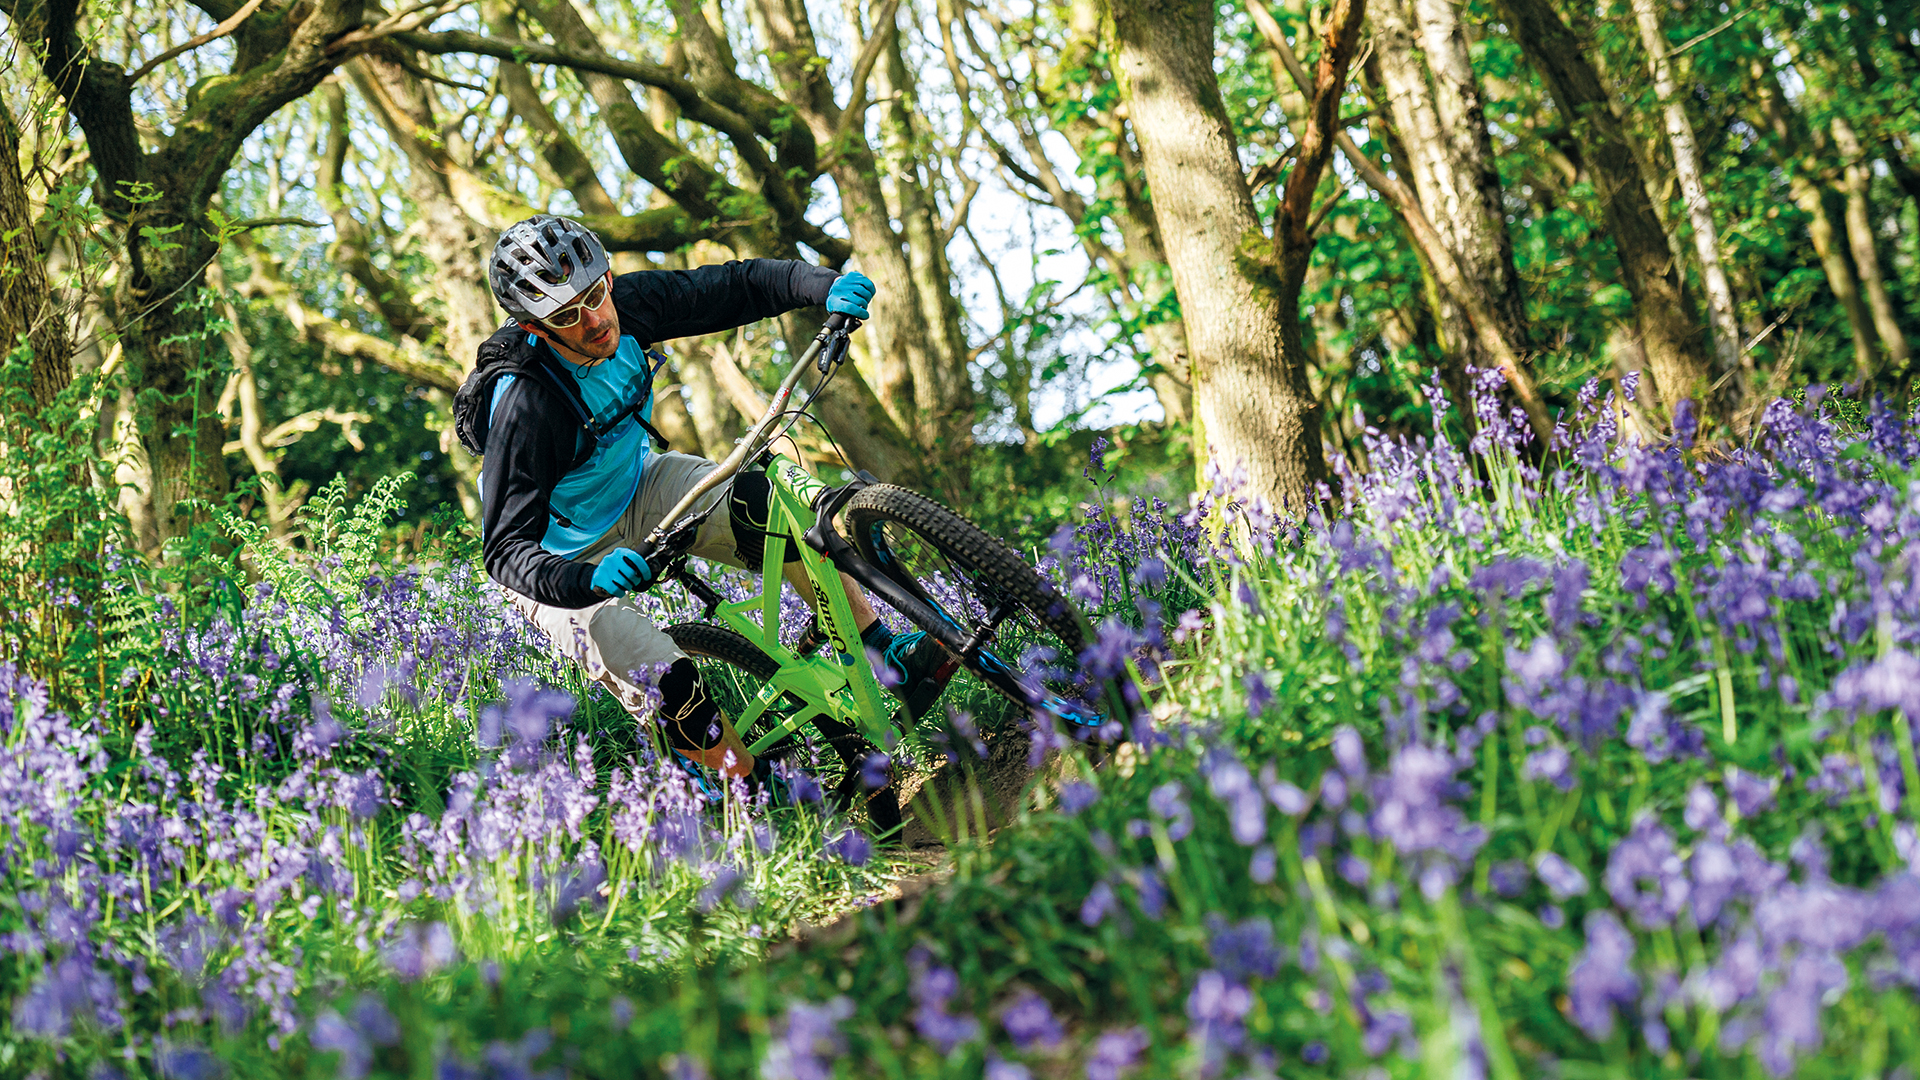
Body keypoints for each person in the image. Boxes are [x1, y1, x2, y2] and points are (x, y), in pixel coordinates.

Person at [456, 215, 943, 791]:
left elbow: (737, 287)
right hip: (558, 555)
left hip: (638, 488)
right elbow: (506, 551)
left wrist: (820, 286)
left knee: (771, 502)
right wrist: (585, 581)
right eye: (566, 316)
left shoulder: (627, 305)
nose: (594, 321)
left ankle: (881, 654)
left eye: (594, 295)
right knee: (660, 669)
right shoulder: (525, 404)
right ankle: (755, 798)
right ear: (535, 328)